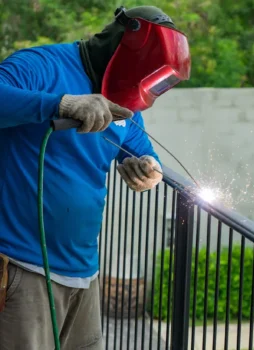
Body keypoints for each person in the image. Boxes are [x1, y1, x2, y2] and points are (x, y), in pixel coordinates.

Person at [0, 5, 190, 349]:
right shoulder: (39, 66)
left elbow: (144, 152)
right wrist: (60, 104)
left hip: (84, 274)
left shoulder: (122, 102)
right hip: (22, 268)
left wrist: (148, 170)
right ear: (127, 46)